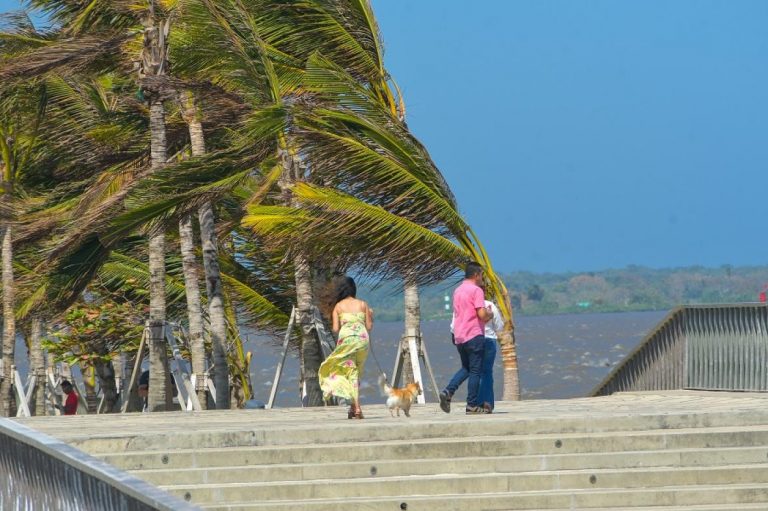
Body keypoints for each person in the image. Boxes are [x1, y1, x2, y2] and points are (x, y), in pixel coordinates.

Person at [439, 262, 493, 414]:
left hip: (460, 336)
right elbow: (481, 314)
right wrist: (490, 314)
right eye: (482, 274)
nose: (482, 278)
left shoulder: (458, 290)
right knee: (475, 371)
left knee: (466, 368)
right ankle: (471, 405)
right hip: (474, 334)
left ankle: (448, 392)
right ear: (476, 275)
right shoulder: (476, 290)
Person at [318, 275, 374, 419]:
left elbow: (335, 329)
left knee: (348, 371)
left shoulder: (339, 306)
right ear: (354, 289)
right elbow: (369, 326)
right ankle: (353, 407)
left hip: (347, 340)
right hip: (362, 340)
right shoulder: (363, 304)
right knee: (356, 373)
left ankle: (357, 408)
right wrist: (370, 315)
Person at [478, 288, 505, 413]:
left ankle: (477, 403)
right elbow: (499, 325)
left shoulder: (468, 305)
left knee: (475, 372)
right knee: (487, 372)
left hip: (474, 341)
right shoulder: (490, 304)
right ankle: (488, 403)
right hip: (489, 340)